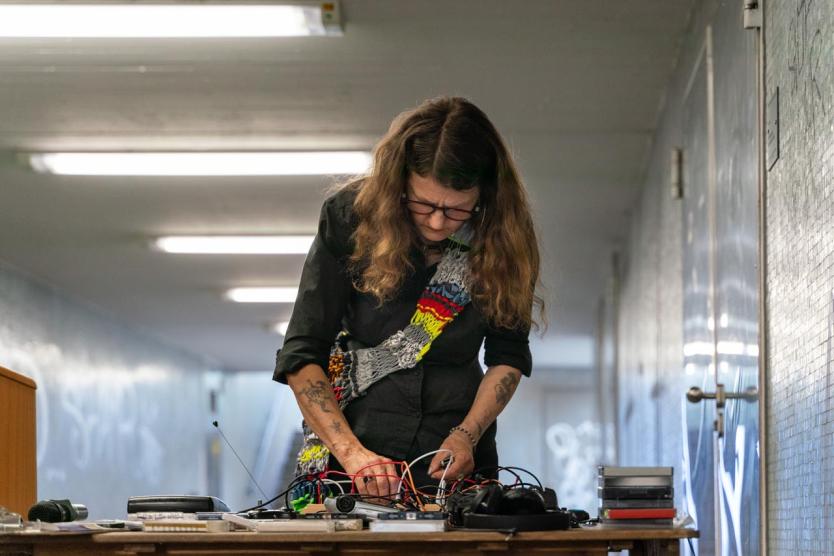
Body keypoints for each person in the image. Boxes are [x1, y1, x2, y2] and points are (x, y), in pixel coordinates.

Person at [273, 96, 542, 500]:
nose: (437, 222)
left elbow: (509, 355)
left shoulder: (504, 239)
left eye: (456, 211)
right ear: (398, 183)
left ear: (484, 196)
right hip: (354, 459)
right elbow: (302, 353)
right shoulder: (351, 218)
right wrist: (352, 454)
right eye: (424, 204)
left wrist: (467, 436)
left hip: (456, 462)